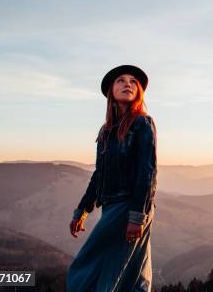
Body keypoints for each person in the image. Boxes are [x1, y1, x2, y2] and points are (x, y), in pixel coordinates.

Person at [66, 65, 158, 292]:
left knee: (85, 269)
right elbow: (99, 174)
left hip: (130, 206)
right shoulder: (106, 131)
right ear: (110, 92)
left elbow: (147, 172)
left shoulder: (142, 124)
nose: (128, 83)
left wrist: (137, 216)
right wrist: (82, 210)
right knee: (131, 272)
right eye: (121, 80)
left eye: (133, 82)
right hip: (111, 207)